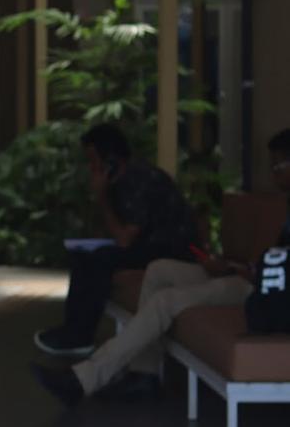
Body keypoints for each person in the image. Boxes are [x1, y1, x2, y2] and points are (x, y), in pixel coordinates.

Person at [33, 129, 290, 405]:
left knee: (165, 301)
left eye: (278, 166)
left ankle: (83, 379)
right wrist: (232, 265)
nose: (273, 174)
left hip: (257, 289)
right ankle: (145, 375)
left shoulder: (139, 180)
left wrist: (246, 271)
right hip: (248, 275)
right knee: (159, 270)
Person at [34, 123, 198, 357]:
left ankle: (80, 335)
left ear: (110, 161)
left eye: (94, 162)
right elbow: (108, 232)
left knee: (101, 259)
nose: (91, 168)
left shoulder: (138, 179)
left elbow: (123, 241)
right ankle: (73, 332)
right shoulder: (119, 183)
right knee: (84, 256)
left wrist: (101, 197)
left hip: (173, 250)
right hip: (148, 245)